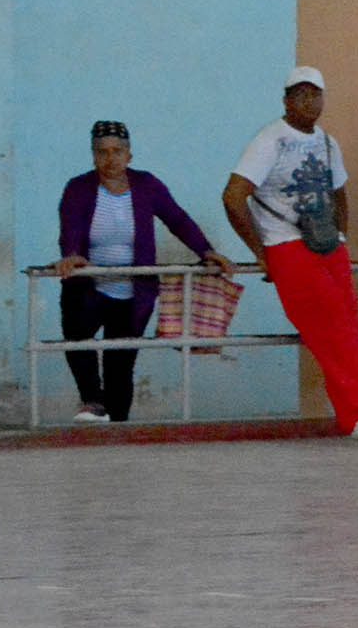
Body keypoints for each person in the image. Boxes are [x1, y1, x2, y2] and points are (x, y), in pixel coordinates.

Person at [222, 67, 358, 440]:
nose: (309, 102)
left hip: (327, 244)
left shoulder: (326, 142)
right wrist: (259, 250)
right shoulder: (269, 140)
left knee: (344, 330)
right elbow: (233, 195)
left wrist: (341, 237)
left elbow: (340, 192)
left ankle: (354, 418)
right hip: (286, 246)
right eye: (300, 94)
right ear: (286, 100)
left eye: (315, 94)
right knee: (332, 326)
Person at [53, 120, 237, 422]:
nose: (110, 159)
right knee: (77, 339)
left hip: (134, 291)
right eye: (102, 152)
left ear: (129, 156)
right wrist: (71, 255)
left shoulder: (147, 185)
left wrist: (206, 251)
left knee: (120, 364)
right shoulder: (79, 188)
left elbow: (177, 218)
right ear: (93, 156)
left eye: (117, 151)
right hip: (90, 287)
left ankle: (118, 426)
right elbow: (69, 226)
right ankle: (92, 401)